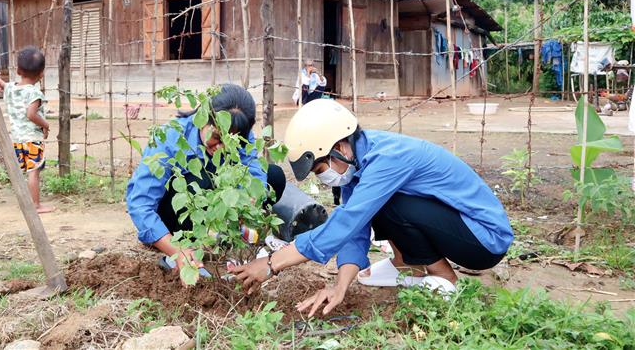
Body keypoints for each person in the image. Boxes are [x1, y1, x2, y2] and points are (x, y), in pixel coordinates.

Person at [230, 99, 513, 317]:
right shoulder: (358, 165)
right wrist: (339, 287)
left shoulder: (386, 159)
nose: (324, 178)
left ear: (340, 146)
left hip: (484, 239)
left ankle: (441, 276)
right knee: (377, 204)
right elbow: (355, 232)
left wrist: (271, 264)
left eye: (321, 168)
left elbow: (346, 223)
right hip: (457, 227)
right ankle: (404, 264)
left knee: (389, 203)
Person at [126, 84, 286, 275]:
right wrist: (177, 252)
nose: (220, 148)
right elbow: (140, 204)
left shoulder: (242, 135)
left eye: (230, 142)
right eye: (216, 137)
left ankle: (222, 239)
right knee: (199, 180)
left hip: (213, 216)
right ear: (203, 119)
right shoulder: (170, 137)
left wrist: (249, 200)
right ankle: (180, 245)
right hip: (174, 216)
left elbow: (254, 171)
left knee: (273, 176)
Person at [0, 47, 54, 213]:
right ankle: (35, 204)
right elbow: (31, 114)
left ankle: (24, 200)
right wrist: (45, 125)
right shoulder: (34, 93)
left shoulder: (11, 88)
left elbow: (0, 83)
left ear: (18, 70)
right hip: (32, 138)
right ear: (41, 74)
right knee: (34, 171)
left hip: (17, 139)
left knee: (22, 171)